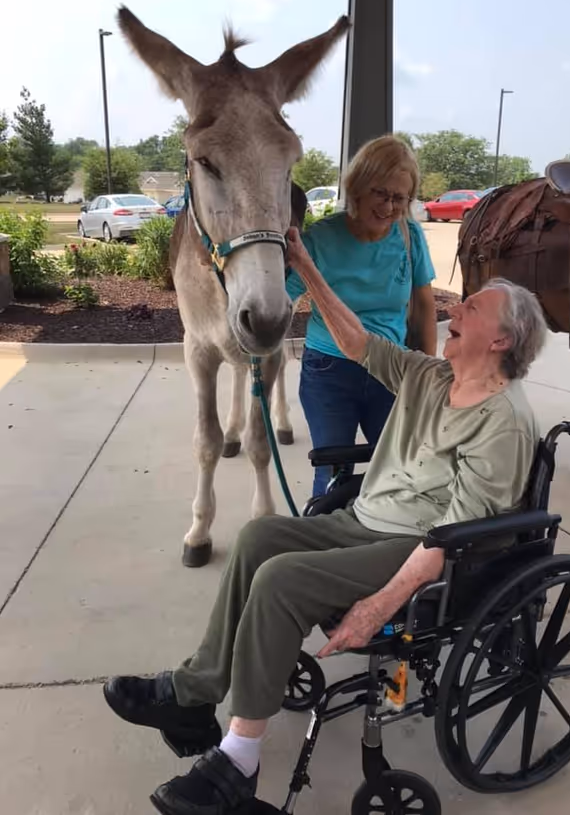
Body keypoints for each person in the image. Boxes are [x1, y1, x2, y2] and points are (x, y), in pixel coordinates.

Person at [104, 232, 547, 815]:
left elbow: (448, 539)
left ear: (502, 339)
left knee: (281, 580)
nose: (453, 309)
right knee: (259, 537)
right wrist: (305, 266)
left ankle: (239, 760)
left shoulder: (504, 422)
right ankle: (195, 693)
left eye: (471, 307)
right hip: (365, 519)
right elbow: (357, 341)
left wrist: (377, 606)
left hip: (420, 547)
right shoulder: (432, 377)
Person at [287, 135, 438, 497]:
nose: (389, 207)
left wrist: (429, 375)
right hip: (330, 370)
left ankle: (372, 543)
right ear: (357, 189)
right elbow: (282, 300)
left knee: (399, 470)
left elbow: (424, 308)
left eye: (399, 198)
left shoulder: (409, 236)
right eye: (380, 194)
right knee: (333, 475)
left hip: (391, 369)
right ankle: (325, 544)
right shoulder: (321, 239)